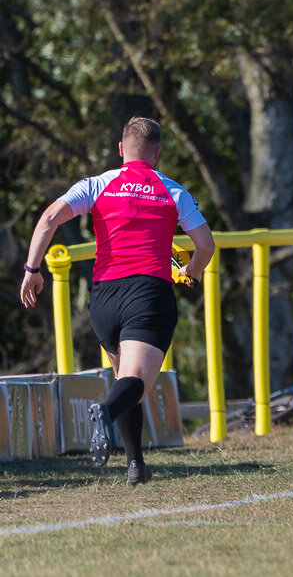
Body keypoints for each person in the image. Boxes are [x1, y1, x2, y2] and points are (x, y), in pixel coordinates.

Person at [18, 117, 215, 485]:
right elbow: (205, 245)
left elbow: (48, 219)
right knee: (136, 382)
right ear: (157, 153)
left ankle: (136, 465)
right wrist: (192, 270)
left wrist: (32, 269)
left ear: (122, 150)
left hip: (104, 298)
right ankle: (104, 413)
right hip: (148, 294)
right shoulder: (172, 191)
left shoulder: (96, 184)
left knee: (126, 377)